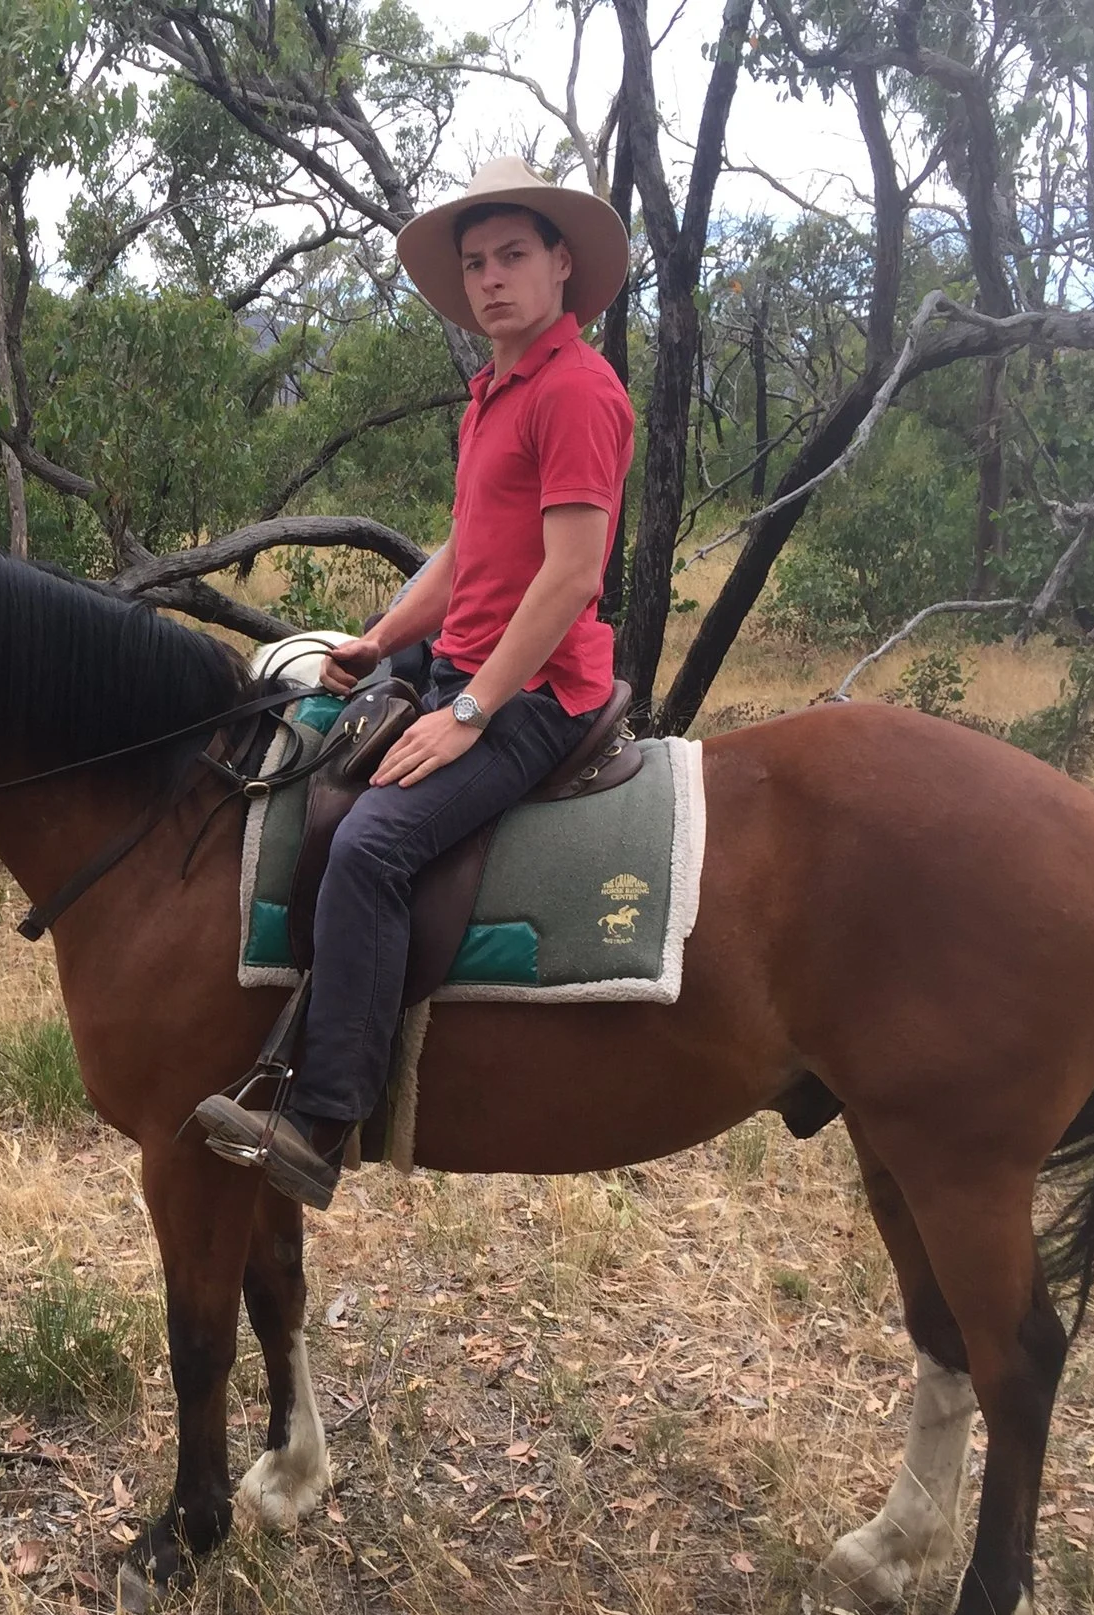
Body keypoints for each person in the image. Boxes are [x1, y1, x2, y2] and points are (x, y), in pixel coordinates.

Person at [194, 157, 637, 1209]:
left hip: (537, 695)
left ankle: (319, 1121)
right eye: (476, 263)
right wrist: (380, 638)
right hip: (455, 663)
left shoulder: (576, 390)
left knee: (373, 846)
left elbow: (571, 573)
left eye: (513, 257)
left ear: (561, 264)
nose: (491, 279)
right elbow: (469, 549)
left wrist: (472, 713)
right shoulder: (494, 390)